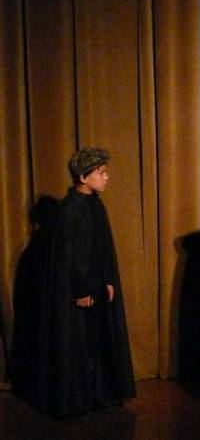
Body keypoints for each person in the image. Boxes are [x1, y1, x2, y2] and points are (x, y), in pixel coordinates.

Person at [40, 147, 136, 417]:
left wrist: (108, 280)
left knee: (96, 340)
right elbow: (71, 256)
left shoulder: (94, 204)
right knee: (81, 343)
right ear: (83, 177)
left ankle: (97, 394)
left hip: (96, 284)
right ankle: (79, 399)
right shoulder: (71, 210)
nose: (106, 177)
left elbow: (101, 248)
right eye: (101, 172)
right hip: (81, 289)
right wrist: (81, 290)